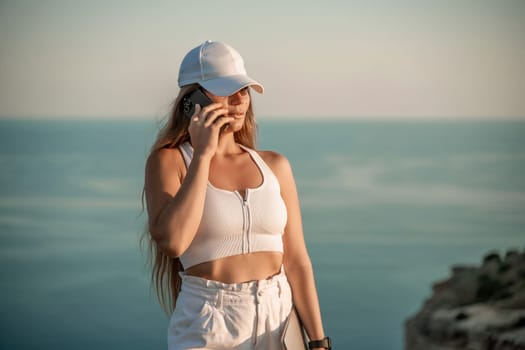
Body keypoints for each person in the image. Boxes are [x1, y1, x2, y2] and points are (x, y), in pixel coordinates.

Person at [142, 40, 331, 350]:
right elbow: (173, 241)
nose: (239, 100)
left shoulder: (275, 165)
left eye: (242, 90)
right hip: (211, 323)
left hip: (280, 320)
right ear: (193, 100)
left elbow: (296, 260)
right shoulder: (170, 161)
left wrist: (319, 341)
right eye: (226, 91)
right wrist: (203, 152)